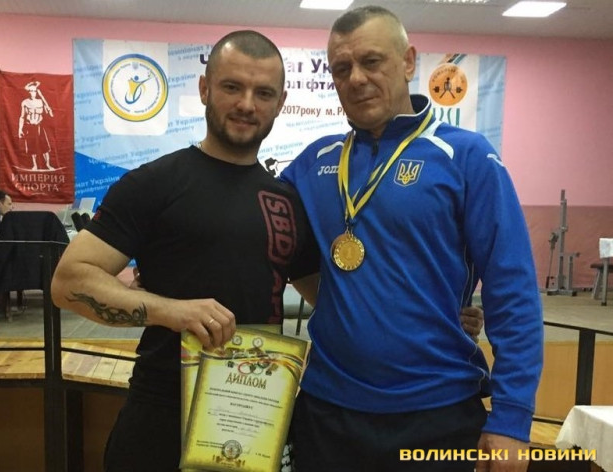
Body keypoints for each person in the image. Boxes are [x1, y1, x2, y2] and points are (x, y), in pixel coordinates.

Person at [50, 29, 484, 472]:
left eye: (263, 93)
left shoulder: (287, 198)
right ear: (204, 89)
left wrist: (437, 316)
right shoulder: (154, 183)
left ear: (280, 103)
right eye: (232, 87)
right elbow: (68, 281)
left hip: (253, 415)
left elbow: (337, 295)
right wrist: (171, 311)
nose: (247, 104)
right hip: (161, 415)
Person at [282, 6, 543, 472]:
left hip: (437, 413)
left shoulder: (466, 156)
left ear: (407, 61)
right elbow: (258, 232)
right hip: (327, 412)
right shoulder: (313, 163)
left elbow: (513, 290)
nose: (356, 78)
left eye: (372, 61)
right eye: (341, 68)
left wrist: (512, 418)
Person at [18, 80, 55, 170]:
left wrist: (45, 103)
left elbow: (51, 115)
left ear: (37, 91)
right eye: (31, 91)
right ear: (28, 92)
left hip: (39, 126)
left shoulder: (41, 101)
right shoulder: (25, 102)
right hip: (30, 126)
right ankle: (35, 165)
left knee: (45, 146)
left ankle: (48, 164)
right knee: (32, 146)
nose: (33, 93)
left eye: (34, 91)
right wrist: (20, 129)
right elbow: (22, 116)